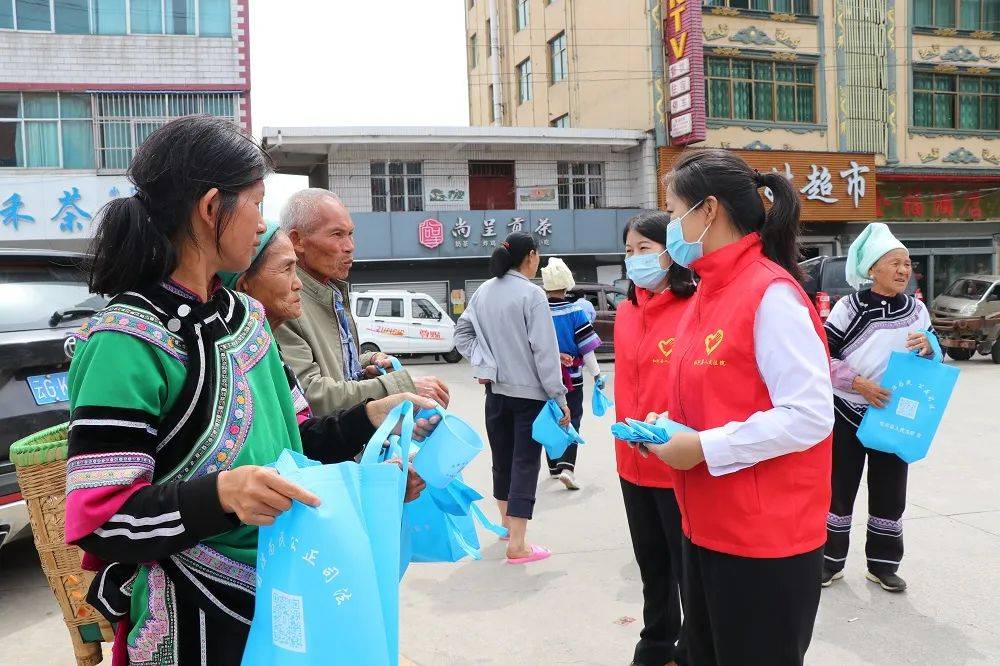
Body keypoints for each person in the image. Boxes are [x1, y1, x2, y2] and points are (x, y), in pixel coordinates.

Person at [63, 117, 436, 666]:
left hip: (284, 587)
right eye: (257, 204)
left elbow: (301, 440)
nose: (263, 221)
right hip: (192, 619)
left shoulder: (245, 318)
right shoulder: (126, 342)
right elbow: (103, 520)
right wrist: (221, 495)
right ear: (213, 208)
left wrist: (371, 422)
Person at [649, 149, 834, 666]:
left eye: (672, 209)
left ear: (707, 211)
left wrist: (705, 447)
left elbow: (810, 414)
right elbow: (717, 394)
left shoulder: (770, 294)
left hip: (763, 539)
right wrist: (667, 430)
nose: (669, 225)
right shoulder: (709, 292)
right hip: (704, 524)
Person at [822, 223, 936, 593]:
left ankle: (883, 564)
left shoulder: (917, 310)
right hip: (848, 411)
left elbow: (934, 359)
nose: (905, 270)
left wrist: (931, 347)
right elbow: (821, 355)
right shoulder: (848, 307)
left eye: (907, 263)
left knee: (890, 489)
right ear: (872, 268)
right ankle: (830, 560)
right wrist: (857, 384)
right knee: (839, 488)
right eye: (895, 263)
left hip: (893, 415)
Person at [275, 188, 450, 414]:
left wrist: (367, 362)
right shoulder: (286, 302)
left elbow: (335, 366)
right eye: (337, 234)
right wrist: (398, 387)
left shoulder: (330, 292)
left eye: (350, 233)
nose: (350, 246)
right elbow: (308, 393)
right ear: (297, 240)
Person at [454, 232, 570, 564]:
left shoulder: (483, 291)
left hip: (496, 392)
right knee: (524, 464)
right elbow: (541, 350)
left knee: (502, 460)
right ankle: (518, 545)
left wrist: (484, 363)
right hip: (530, 397)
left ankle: (506, 525)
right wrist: (559, 396)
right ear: (531, 256)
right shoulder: (532, 294)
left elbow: (462, 334)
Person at [614, 211, 696, 666]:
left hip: (676, 458)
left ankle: (691, 646)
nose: (635, 260)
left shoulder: (695, 307)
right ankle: (657, 640)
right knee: (651, 563)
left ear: (673, 253)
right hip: (631, 460)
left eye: (644, 249)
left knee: (686, 565)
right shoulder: (627, 311)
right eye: (629, 251)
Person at [540, 257, 603, 490]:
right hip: (572, 379)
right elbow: (587, 350)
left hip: (543, 379)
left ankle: (554, 466)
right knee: (572, 418)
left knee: (550, 418)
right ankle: (568, 468)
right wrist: (597, 376)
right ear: (567, 284)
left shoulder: (538, 311)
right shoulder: (576, 311)